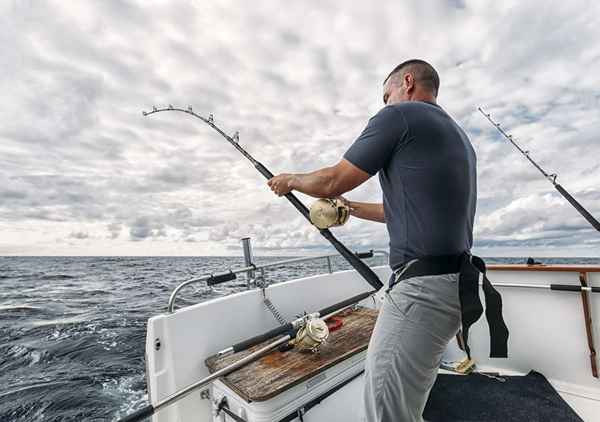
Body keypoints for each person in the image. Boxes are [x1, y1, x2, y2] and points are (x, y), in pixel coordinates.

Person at [267, 59, 477, 422]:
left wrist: (289, 180)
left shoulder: (400, 116)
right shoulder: (456, 135)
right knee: (406, 404)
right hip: (454, 285)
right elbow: (405, 209)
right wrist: (350, 209)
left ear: (407, 82)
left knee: (386, 409)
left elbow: (333, 179)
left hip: (422, 292)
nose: (384, 104)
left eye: (386, 95)